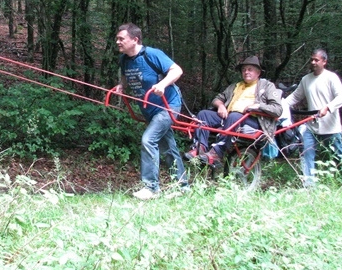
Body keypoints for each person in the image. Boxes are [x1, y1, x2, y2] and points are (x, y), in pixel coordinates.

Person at [113, 23, 188, 200]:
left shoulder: (152, 54)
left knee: (148, 140)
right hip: (149, 109)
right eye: (117, 38)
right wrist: (121, 86)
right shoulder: (125, 59)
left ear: (135, 40)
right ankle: (182, 186)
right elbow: (126, 75)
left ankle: (151, 187)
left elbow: (177, 70)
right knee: (168, 147)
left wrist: (163, 84)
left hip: (168, 105)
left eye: (121, 38)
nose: (117, 42)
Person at [184, 56, 283, 169]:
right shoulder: (235, 86)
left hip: (253, 121)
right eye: (244, 69)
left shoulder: (266, 86)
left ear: (258, 72)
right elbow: (217, 99)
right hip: (230, 118)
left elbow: (277, 109)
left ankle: (217, 152)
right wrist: (221, 105)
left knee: (234, 116)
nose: (246, 72)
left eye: (250, 69)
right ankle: (199, 148)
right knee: (203, 114)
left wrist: (258, 106)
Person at [285, 49, 342, 187]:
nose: (313, 62)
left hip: (330, 126)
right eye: (312, 60)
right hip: (311, 125)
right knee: (306, 152)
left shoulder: (331, 77)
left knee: (338, 154)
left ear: (324, 62)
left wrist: (328, 108)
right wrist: (281, 105)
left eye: (316, 60)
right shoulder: (306, 79)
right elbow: (295, 96)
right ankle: (309, 184)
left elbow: (341, 97)